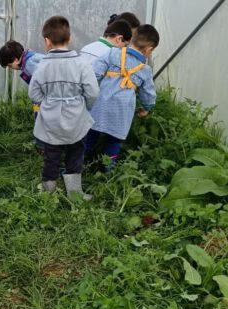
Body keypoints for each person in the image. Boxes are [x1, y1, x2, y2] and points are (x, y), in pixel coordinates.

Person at [28, 16, 99, 200]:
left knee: (51, 157)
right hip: (76, 119)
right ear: (70, 38)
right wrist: (84, 106)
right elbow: (92, 92)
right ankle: (75, 194)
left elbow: (34, 94)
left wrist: (49, 100)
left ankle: (48, 194)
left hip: (51, 122)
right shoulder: (82, 63)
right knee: (75, 155)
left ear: (47, 41)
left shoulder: (42, 65)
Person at [86, 24, 159, 169]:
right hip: (122, 112)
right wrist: (146, 108)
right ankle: (107, 170)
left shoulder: (112, 53)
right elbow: (149, 94)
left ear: (131, 39)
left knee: (89, 136)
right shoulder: (145, 70)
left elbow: (93, 73)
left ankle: (76, 164)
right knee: (114, 142)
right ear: (149, 50)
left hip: (100, 105)